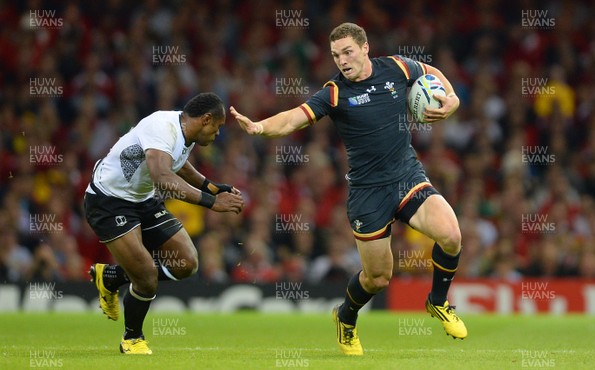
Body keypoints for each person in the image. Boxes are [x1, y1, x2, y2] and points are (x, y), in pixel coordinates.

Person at [230, 23, 466, 356]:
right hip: (368, 194)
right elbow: (292, 118)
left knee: (451, 234)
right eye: (336, 55)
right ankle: (346, 316)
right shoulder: (335, 93)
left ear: (365, 47)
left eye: (348, 52)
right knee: (378, 278)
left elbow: (431, 71)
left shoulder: (397, 67)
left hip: (407, 177)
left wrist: (452, 99)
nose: (342, 60)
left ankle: (438, 301)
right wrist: (258, 127)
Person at [84, 92, 244, 355]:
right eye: (218, 126)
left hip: (142, 201)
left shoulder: (185, 133)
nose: (218, 133)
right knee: (146, 277)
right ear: (206, 119)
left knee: (187, 263)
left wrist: (212, 186)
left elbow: (178, 166)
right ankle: (132, 339)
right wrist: (211, 202)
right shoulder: (163, 126)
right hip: (109, 202)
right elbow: (161, 176)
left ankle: (111, 277)